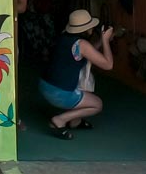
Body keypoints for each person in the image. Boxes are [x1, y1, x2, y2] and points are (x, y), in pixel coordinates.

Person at [40, 9, 114, 140]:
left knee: (80, 85)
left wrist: (102, 42)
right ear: (86, 28)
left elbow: (88, 52)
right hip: (59, 93)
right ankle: (60, 120)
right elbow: (108, 65)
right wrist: (106, 40)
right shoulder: (82, 44)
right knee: (97, 105)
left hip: (46, 85)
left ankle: (75, 122)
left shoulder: (64, 37)